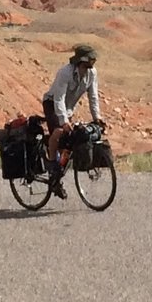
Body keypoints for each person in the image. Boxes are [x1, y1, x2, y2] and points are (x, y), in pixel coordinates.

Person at [41, 43, 103, 198]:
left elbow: (93, 97)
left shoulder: (92, 74)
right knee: (59, 131)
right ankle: (51, 168)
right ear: (82, 60)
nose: (93, 62)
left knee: (70, 141)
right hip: (52, 103)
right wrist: (63, 121)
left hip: (68, 108)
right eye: (91, 59)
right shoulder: (65, 73)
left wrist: (97, 118)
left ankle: (59, 168)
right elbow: (59, 98)